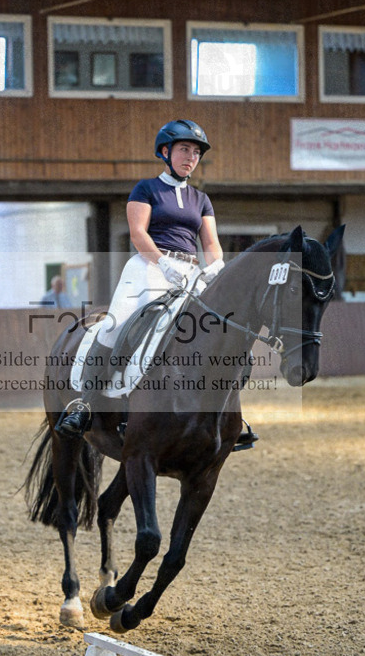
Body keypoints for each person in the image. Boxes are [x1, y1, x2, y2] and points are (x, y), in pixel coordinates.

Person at [56, 119, 256, 450]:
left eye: (195, 152)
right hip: (148, 267)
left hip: (192, 273)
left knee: (224, 331)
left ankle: (224, 416)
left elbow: (211, 243)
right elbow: (138, 233)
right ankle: (85, 404)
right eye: (183, 150)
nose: (190, 157)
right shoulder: (146, 189)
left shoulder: (200, 199)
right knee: (114, 327)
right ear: (165, 152)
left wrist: (216, 267)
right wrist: (163, 262)